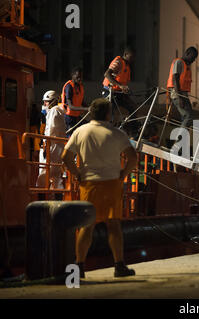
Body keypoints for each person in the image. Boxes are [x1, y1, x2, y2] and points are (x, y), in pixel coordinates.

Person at [61, 98, 138, 277]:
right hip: (112, 183)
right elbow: (132, 158)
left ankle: (79, 266)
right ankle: (119, 266)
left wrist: (77, 174)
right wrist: (123, 174)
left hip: (89, 184)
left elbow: (66, 156)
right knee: (114, 226)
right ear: (108, 114)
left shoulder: (80, 131)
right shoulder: (117, 133)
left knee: (86, 227)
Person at [102, 46, 138, 136]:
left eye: (134, 57)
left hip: (119, 93)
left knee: (133, 107)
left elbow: (123, 83)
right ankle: (109, 134)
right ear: (125, 55)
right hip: (109, 92)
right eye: (132, 56)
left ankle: (133, 132)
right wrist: (120, 86)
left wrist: (125, 90)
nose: (133, 59)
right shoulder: (118, 61)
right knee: (111, 115)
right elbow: (107, 74)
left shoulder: (128, 67)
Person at [36, 96, 66, 199]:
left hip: (51, 145)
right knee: (56, 174)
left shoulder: (53, 111)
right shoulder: (61, 111)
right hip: (58, 145)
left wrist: (45, 147)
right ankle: (58, 198)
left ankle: (40, 198)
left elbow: (50, 129)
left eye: (46, 102)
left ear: (51, 101)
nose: (45, 104)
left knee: (44, 172)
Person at [167, 46, 198, 129]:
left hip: (183, 95)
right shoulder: (179, 62)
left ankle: (182, 140)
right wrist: (180, 97)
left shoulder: (185, 66)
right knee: (188, 117)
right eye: (193, 57)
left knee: (188, 117)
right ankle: (180, 141)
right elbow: (175, 79)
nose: (194, 60)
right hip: (178, 94)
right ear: (187, 53)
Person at [62, 67, 89, 136]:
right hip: (69, 117)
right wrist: (86, 109)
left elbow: (81, 102)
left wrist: (91, 107)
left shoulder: (80, 86)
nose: (80, 79)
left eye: (81, 77)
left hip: (77, 116)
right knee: (71, 137)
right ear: (72, 76)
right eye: (78, 77)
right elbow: (70, 107)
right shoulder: (69, 87)